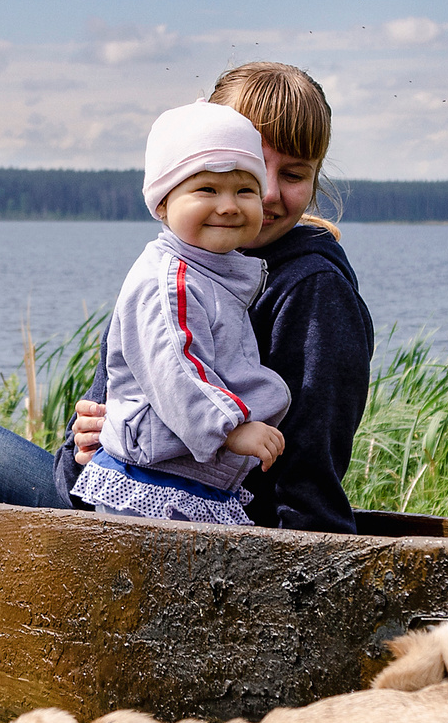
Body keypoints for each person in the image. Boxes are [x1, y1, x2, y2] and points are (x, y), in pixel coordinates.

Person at [0, 61, 375, 532]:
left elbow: (308, 480)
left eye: (294, 175)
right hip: (107, 493)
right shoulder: (193, 264)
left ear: (316, 178)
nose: (263, 194)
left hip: (158, 528)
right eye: (244, 169)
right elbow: (125, 407)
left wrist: (130, 431)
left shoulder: (312, 289)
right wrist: (94, 437)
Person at [67, 102, 292, 525]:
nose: (228, 206)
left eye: (245, 191)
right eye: (206, 190)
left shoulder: (212, 273)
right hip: (148, 481)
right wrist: (231, 429)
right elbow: (178, 367)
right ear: (163, 203)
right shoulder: (169, 280)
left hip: (184, 476)